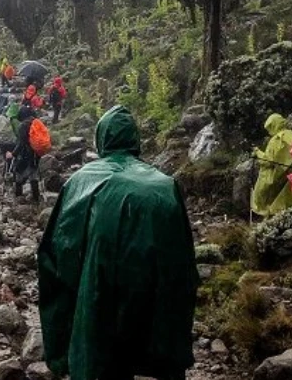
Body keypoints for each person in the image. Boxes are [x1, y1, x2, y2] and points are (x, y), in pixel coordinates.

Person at [38, 106, 198, 380]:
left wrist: (61, 340)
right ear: (135, 139)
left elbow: (57, 255)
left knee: (103, 360)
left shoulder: (80, 182)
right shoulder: (165, 185)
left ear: (101, 139)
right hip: (153, 300)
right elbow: (182, 264)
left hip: (99, 296)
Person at [252, 114, 292, 217]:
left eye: (270, 128)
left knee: (278, 207)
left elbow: (269, 161)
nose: (269, 132)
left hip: (281, 178)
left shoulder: (277, 139)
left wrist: (257, 153)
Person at [5, 106, 42, 203]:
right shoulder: (36, 122)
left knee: (18, 174)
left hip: (25, 154)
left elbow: (21, 143)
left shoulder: (23, 125)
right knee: (33, 175)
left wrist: (13, 154)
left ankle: (19, 199)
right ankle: (36, 198)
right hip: (36, 153)